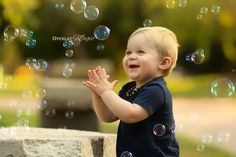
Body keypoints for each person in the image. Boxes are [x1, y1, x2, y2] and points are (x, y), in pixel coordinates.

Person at [83, 26, 180, 157]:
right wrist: (98, 95)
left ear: (163, 63)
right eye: (128, 52)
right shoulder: (129, 88)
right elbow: (108, 116)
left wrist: (107, 93)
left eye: (140, 52)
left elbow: (131, 114)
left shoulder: (156, 90)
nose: (131, 56)